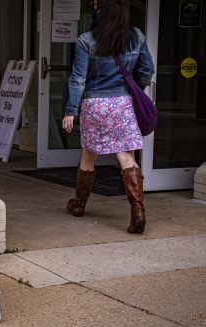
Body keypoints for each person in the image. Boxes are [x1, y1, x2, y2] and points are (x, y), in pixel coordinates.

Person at [62, 0, 155, 234]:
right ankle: (138, 210)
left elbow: (78, 79)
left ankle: (79, 204)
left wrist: (71, 110)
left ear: (100, 13)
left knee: (88, 155)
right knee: (126, 156)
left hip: (94, 104)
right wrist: (136, 87)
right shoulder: (136, 37)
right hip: (122, 103)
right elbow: (147, 70)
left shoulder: (87, 40)